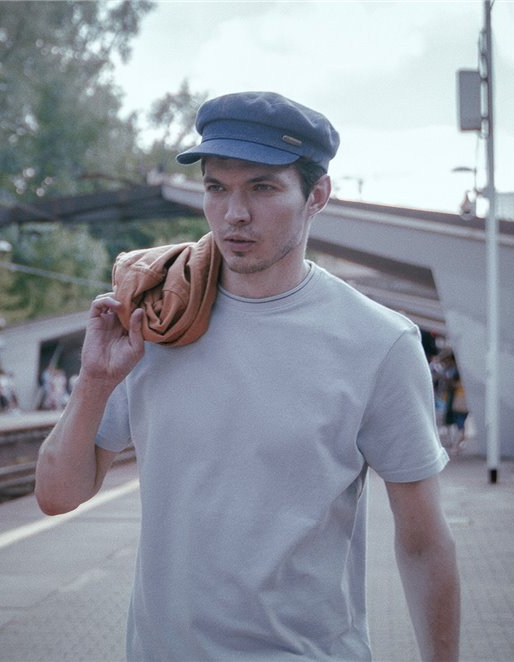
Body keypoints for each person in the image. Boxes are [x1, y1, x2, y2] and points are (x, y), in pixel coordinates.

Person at [35, 91, 460, 661]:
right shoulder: (155, 320)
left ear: (317, 197)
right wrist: (92, 381)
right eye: (217, 188)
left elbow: (424, 542)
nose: (234, 214)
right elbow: (58, 495)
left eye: (261, 187)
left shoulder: (378, 343)